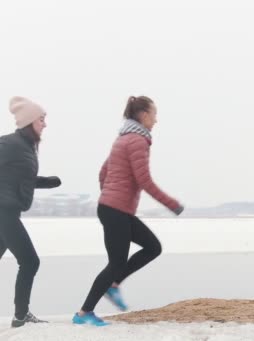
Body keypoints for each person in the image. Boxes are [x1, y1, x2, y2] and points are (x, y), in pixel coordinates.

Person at [73, 96, 184, 326]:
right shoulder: (137, 141)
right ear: (143, 115)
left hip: (114, 209)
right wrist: (171, 203)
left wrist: (109, 195)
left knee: (152, 247)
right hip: (116, 210)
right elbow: (144, 180)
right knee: (115, 262)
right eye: (154, 114)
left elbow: (103, 173)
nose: (156, 120)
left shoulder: (122, 139)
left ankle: (114, 285)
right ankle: (84, 313)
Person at [0, 96, 62, 328]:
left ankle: (21, 314)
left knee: (27, 262)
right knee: (30, 262)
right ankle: (21, 316)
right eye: (41, 119)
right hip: (4, 213)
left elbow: (20, 178)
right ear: (29, 122)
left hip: (8, 213)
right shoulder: (10, 144)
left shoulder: (25, 146)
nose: (45, 124)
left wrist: (47, 182)